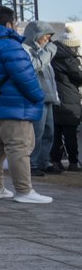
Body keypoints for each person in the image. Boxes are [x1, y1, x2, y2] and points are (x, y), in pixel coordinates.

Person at [0, 6, 49, 204]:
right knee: (18, 148)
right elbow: (25, 76)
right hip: (14, 106)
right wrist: (38, 96)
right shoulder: (9, 44)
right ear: (9, 24)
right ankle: (24, 191)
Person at [24, 22, 58, 181]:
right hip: (37, 98)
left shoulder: (43, 51)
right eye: (46, 36)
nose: (48, 39)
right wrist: (47, 52)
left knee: (49, 132)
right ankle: (32, 163)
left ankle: (43, 161)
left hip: (48, 97)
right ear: (36, 35)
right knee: (36, 133)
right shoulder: (26, 50)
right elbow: (33, 66)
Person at [50, 32, 82, 172]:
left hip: (54, 98)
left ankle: (56, 162)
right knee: (70, 135)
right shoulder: (69, 59)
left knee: (55, 134)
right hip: (69, 100)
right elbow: (79, 77)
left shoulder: (52, 55)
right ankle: (73, 163)